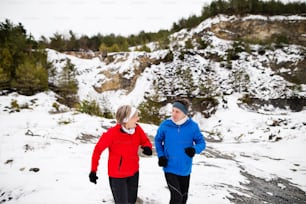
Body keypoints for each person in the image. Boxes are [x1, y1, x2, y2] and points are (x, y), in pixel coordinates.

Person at [89, 105, 153, 204]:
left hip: (134, 173)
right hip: (117, 176)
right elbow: (97, 150)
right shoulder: (112, 134)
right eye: (135, 116)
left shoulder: (137, 128)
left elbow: (144, 140)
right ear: (126, 119)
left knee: (131, 201)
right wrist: (93, 170)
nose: (138, 118)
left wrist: (147, 147)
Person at [155, 98, 206, 204]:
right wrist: (161, 155)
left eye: (177, 111)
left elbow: (202, 143)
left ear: (184, 113)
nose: (173, 114)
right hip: (169, 166)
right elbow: (158, 140)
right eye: (172, 110)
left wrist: (194, 149)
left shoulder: (192, 126)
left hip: (185, 168)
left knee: (183, 198)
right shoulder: (165, 125)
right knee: (176, 197)